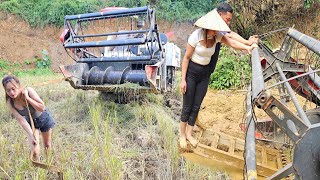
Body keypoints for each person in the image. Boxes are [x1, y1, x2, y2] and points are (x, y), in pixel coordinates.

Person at [179, 9, 257, 148]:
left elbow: (232, 42)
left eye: (217, 30)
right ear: (207, 28)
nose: (216, 32)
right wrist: (183, 79)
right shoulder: (195, 36)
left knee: (196, 105)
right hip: (191, 73)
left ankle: (190, 135)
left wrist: (248, 48)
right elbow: (186, 58)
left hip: (204, 75)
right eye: (214, 30)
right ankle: (182, 135)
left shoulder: (217, 36)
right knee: (187, 106)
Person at [2, 75, 56, 161]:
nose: (11, 93)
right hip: (31, 123)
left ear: (18, 86)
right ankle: (37, 169)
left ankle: (49, 163)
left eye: (13, 88)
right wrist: (31, 135)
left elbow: (41, 107)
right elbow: (21, 120)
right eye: (8, 90)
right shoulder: (10, 102)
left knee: (47, 145)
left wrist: (27, 98)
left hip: (44, 118)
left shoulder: (29, 91)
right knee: (34, 149)